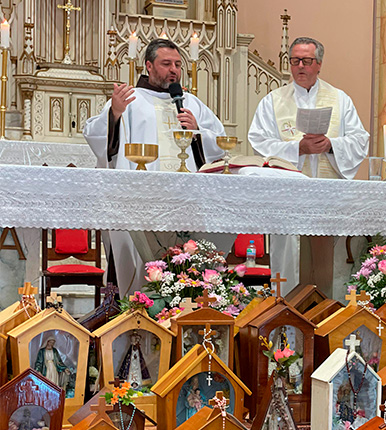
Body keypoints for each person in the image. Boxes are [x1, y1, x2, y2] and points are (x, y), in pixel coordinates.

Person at [83, 39, 228, 295]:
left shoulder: (191, 103)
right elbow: (96, 136)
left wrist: (198, 131)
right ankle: (137, 309)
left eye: (177, 64)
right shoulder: (130, 99)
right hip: (141, 198)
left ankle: (185, 304)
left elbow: (220, 143)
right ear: (149, 65)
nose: (173, 70)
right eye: (166, 64)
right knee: (140, 269)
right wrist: (114, 114)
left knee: (187, 263)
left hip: (186, 200)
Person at [248, 36, 370, 291]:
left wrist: (331, 146)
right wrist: (296, 148)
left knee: (327, 266)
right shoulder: (273, 101)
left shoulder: (339, 99)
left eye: (306, 60)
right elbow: (258, 141)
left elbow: (360, 140)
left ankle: (325, 320)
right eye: (295, 60)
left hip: (328, 196)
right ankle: (288, 320)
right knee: (290, 263)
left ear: (319, 64)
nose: (300, 66)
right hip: (289, 197)